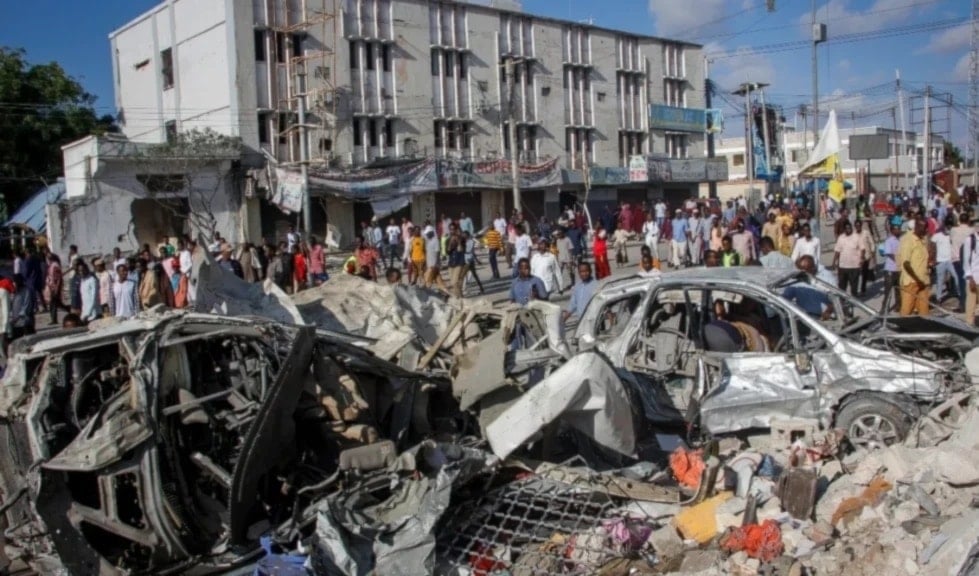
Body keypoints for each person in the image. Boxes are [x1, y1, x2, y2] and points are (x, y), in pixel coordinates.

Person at [897, 218, 931, 317]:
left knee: (924, 311)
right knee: (907, 310)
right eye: (924, 228)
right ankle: (902, 330)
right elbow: (906, 264)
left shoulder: (922, 240)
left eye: (926, 228)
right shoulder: (908, 240)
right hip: (911, 282)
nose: (925, 231)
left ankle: (922, 330)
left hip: (923, 281)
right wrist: (917, 279)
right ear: (917, 227)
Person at [832, 221, 864, 297]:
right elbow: (837, 250)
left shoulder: (857, 237)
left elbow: (862, 249)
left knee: (854, 286)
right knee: (842, 286)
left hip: (854, 266)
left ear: (851, 228)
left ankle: (854, 300)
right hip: (843, 266)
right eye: (846, 228)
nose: (848, 230)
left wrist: (862, 259)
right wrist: (834, 262)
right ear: (844, 229)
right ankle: (842, 301)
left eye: (849, 228)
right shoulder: (841, 237)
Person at [880, 223, 902, 314]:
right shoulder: (889, 241)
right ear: (892, 231)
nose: (898, 231)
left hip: (899, 270)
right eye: (896, 229)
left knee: (899, 290)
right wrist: (899, 260)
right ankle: (884, 309)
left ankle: (898, 306)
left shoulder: (901, 240)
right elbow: (889, 253)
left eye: (899, 229)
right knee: (888, 291)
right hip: (890, 270)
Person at [9, 274, 36, 339]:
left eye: (14, 282)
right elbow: (10, 306)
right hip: (14, 323)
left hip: (24, 322)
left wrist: (19, 316)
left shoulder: (26, 291)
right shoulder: (13, 292)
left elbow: (27, 306)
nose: (13, 284)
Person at [855, 219, 876, 296]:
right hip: (857, 257)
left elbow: (872, 242)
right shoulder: (853, 234)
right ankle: (855, 290)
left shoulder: (866, 233)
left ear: (861, 225)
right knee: (856, 275)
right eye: (856, 226)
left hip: (866, 256)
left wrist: (873, 251)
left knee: (864, 273)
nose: (858, 227)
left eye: (859, 225)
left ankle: (863, 289)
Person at [44, 253, 63, 326]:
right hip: (50, 286)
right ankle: (53, 318)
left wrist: (56, 288)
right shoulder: (51, 265)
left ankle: (54, 319)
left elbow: (58, 278)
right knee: (54, 303)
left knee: (54, 303)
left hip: (54, 287)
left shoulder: (55, 266)